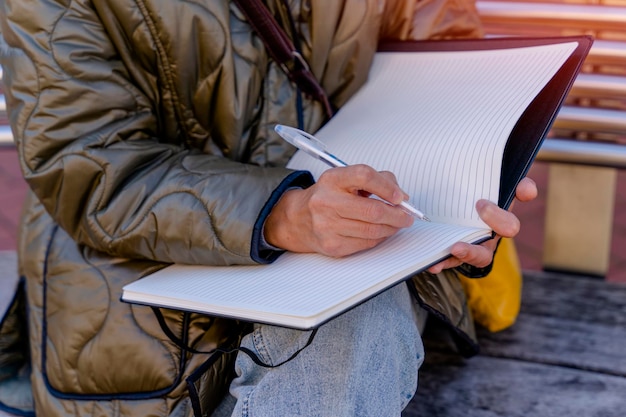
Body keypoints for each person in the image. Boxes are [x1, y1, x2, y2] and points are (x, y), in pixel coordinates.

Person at [0, 0, 537, 416]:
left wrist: (466, 198)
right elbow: (88, 165)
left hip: (365, 245)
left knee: (354, 316)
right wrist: (285, 214)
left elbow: (449, 86)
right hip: (130, 264)